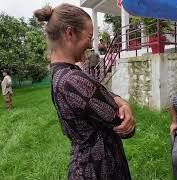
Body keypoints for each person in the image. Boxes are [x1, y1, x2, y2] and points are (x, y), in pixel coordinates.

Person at [34, 3, 135, 179]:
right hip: (99, 170)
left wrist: (120, 100)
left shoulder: (62, 74)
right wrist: (127, 114)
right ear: (70, 33)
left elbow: (98, 93)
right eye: (89, 37)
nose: (90, 44)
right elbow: (124, 128)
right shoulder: (74, 80)